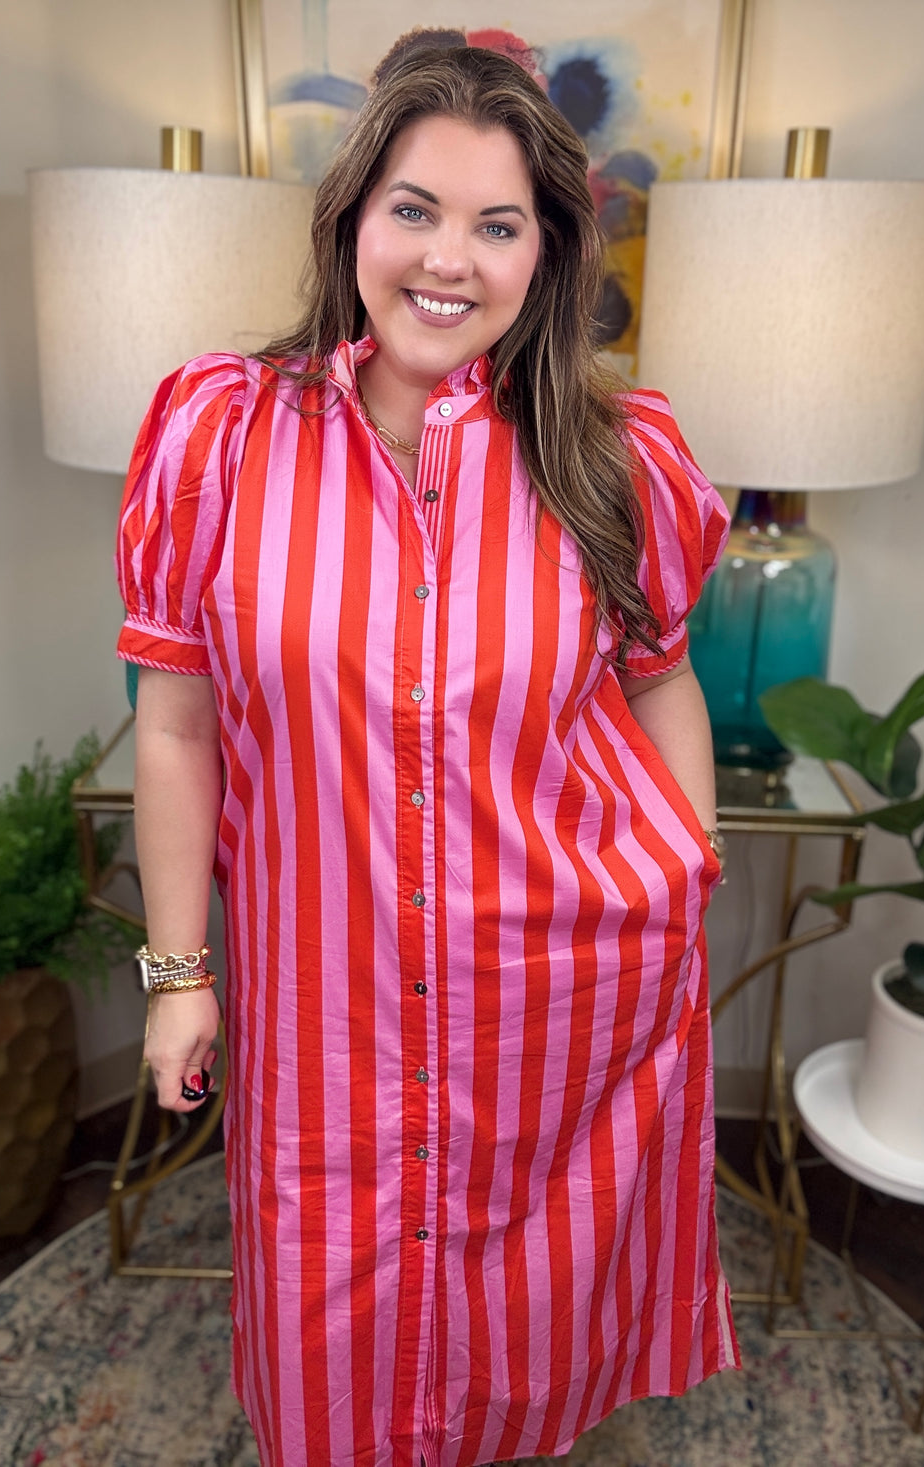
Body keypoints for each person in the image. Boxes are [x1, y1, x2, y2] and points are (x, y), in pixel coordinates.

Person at [116, 35, 738, 1467]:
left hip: (558, 1002)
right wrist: (176, 975)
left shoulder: (616, 458)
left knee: (532, 1353)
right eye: (416, 206)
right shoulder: (220, 436)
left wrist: (687, 871)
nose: (448, 258)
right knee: (329, 1361)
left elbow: (663, 686)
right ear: (352, 220)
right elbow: (175, 725)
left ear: (545, 253)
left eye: (498, 223)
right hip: (322, 1023)